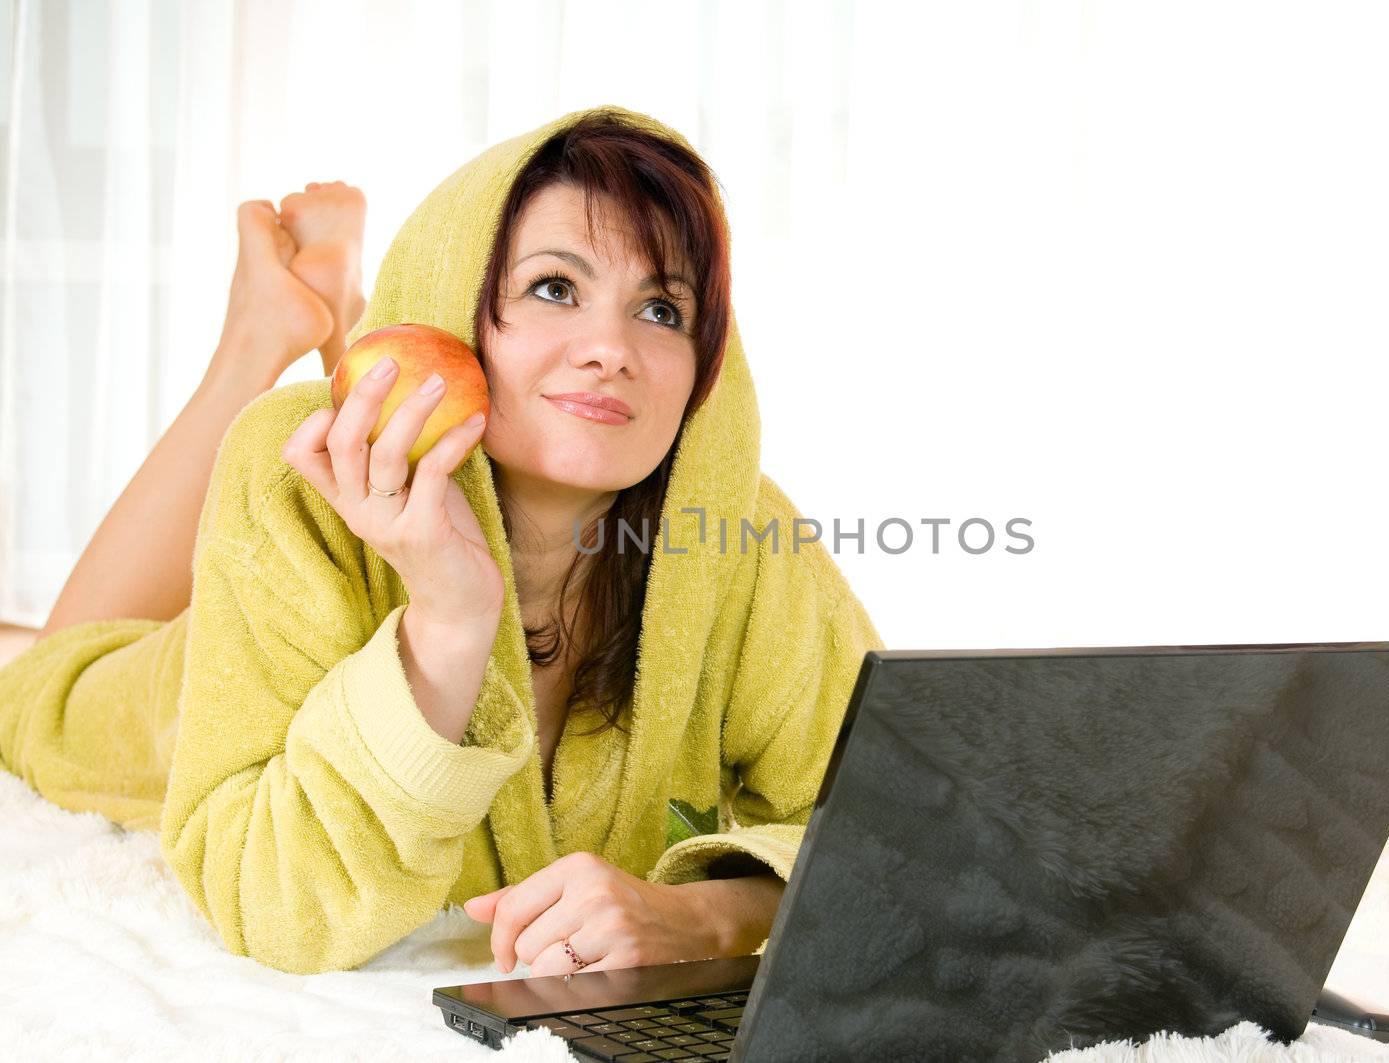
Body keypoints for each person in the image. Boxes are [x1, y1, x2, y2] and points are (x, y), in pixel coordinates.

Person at [0, 106, 883, 977]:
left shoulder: (740, 533)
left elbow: (897, 826)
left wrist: (705, 913)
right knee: (38, 686)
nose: (610, 349)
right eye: (554, 288)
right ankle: (262, 335)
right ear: (453, 309)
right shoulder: (290, 485)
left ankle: (348, 323)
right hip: (201, 677)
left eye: (660, 309)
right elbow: (278, 911)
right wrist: (451, 624)